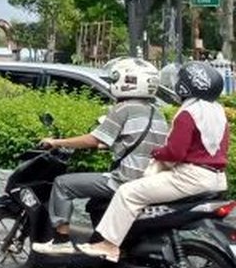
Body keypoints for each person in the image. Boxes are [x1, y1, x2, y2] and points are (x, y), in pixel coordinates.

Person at [78, 61, 229, 262]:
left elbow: (175, 153)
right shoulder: (217, 113)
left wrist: (157, 152)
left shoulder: (188, 113)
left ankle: (109, 245)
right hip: (215, 178)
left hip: (189, 177)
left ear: (186, 86)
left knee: (127, 192)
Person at [33, 57, 168, 255]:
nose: (114, 84)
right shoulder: (157, 112)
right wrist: (110, 145)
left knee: (63, 184)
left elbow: (94, 139)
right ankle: (105, 241)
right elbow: (135, 141)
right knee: (96, 204)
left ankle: (60, 240)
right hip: (148, 179)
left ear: (127, 82)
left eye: (116, 79)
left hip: (124, 179)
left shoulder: (123, 108)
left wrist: (56, 142)